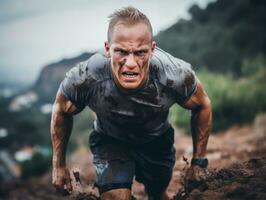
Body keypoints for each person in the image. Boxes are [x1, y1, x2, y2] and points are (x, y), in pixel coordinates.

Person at [51, 6, 212, 200]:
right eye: (121, 52)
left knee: (157, 194)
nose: (130, 63)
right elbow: (61, 109)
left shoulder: (173, 75)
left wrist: (199, 162)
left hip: (157, 141)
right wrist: (58, 166)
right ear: (107, 49)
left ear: (152, 50)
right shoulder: (87, 76)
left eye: (140, 53)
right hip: (111, 140)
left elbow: (202, 104)